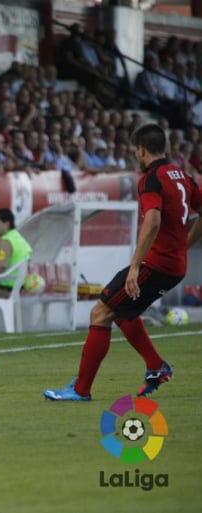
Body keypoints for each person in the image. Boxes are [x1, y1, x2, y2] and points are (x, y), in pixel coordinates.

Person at [44, 124, 202, 401]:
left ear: (141, 150)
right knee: (123, 311)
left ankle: (81, 390)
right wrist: (185, 245)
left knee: (101, 313)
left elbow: (152, 221)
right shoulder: (183, 176)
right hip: (174, 264)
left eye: (135, 152)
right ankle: (156, 366)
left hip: (157, 264)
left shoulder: (151, 178)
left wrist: (135, 266)